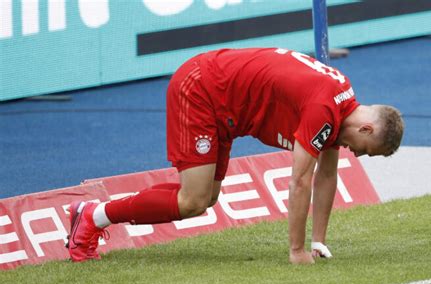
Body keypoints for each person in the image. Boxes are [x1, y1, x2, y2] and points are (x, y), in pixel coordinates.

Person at [66, 48, 404, 264]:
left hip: (227, 106)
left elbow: (327, 175)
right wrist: (296, 251)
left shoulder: (343, 102)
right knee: (193, 200)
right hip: (201, 90)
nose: (357, 155)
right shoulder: (325, 108)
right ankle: (93, 216)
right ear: (366, 130)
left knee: (206, 198)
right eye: (366, 151)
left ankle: (94, 216)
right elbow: (301, 180)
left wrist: (318, 241)